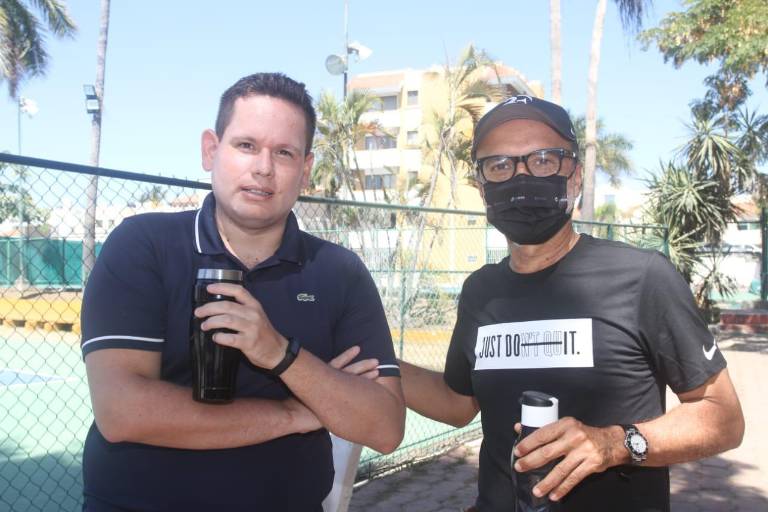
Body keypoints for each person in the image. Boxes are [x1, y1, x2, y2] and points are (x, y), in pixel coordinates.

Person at [400, 95, 744, 512]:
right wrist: (374, 363)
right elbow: (457, 403)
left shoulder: (642, 277)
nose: (521, 176)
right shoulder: (480, 291)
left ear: (576, 176)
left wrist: (615, 443)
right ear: (482, 185)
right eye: (500, 164)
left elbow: (722, 418)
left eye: (543, 160)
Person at [80, 72, 405, 511]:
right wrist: (297, 412)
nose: (263, 167)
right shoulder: (143, 245)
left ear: (305, 170)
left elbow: (383, 427)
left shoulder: (338, 272)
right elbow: (122, 411)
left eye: (284, 152)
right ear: (211, 150)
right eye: (247, 145)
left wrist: (281, 355)